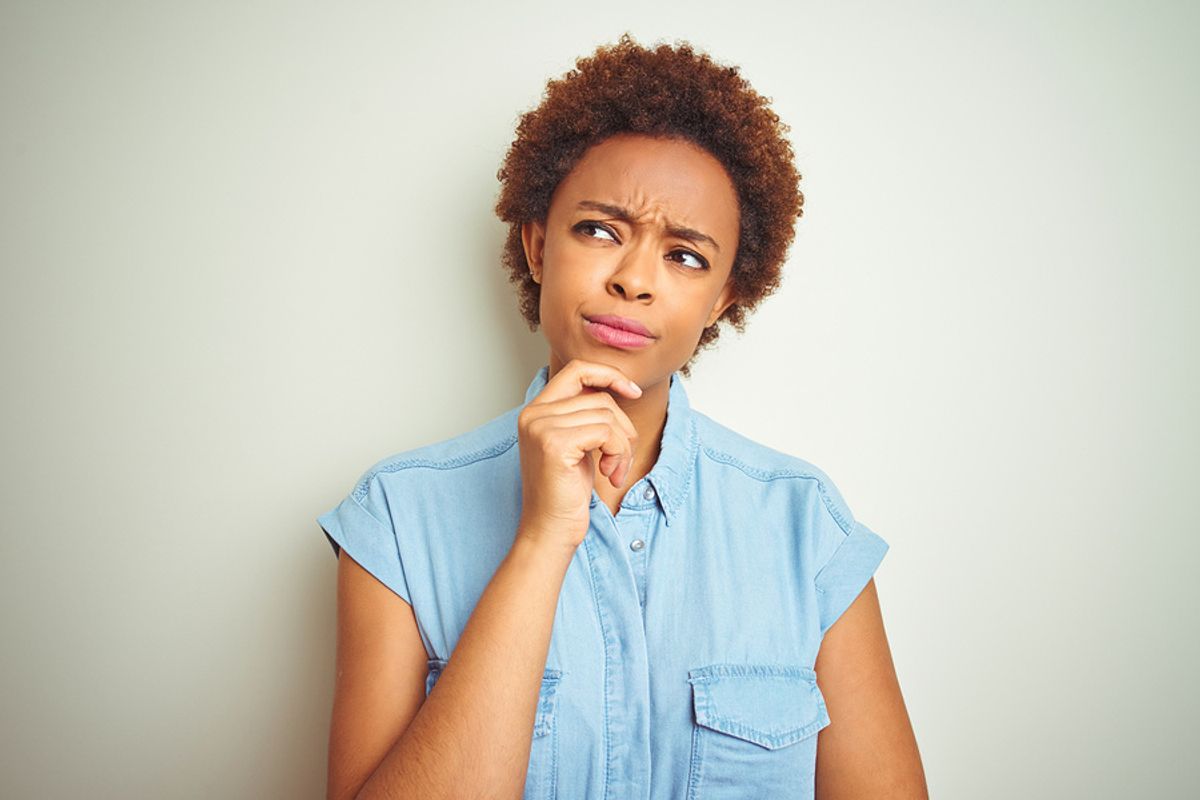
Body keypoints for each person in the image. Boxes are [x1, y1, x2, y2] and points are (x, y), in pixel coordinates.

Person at [317, 33, 928, 800]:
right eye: (600, 230)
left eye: (686, 257)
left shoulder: (806, 528)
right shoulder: (398, 521)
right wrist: (543, 540)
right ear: (537, 246)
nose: (634, 279)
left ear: (723, 300)